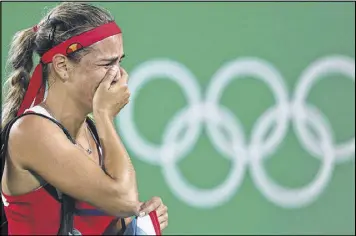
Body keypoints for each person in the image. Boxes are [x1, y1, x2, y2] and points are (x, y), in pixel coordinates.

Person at [1, 2, 168, 235]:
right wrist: (104, 116)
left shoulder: (90, 131)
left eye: (120, 61)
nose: (120, 75)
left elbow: (110, 218)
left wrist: (139, 226)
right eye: (107, 64)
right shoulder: (31, 131)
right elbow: (124, 200)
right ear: (62, 66)